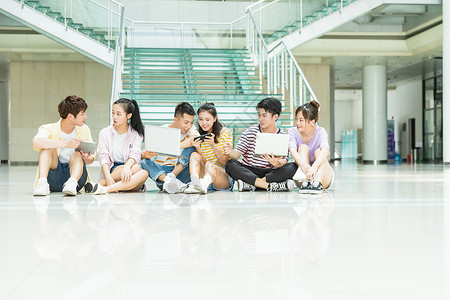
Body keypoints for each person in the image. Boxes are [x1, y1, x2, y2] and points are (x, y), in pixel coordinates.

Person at [224, 97, 297, 192]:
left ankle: (253, 185)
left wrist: (275, 162)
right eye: (259, 115)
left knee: (293, 167)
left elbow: (283, 162)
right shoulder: (250, 132)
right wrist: (230, 152)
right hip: (250, 170)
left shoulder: (283, 136)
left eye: (264, 115)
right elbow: (236, 155)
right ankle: (268, 186)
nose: (260, 119)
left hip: (270, 173)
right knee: (230, 164)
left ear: (275, 117)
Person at [32, 95, 94, 196]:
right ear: (70, 116)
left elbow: (91, 159)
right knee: (47, 148)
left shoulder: (84, 129)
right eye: (82, 114)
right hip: (54, 177)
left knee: (77, 154)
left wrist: (86, 158)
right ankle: (42, 183)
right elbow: (36, 142)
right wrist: (66, 144)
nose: (85, 117)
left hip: (76, 178)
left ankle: (71, 183)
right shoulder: (49, 128)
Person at [90, 98, 149, 194]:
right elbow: (103, 156)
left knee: (143, 173)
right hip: (113, 170)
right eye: (113, 113)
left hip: (129, 173)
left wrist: (127, 167)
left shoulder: (136, 134)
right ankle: (108, 185)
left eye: (118, 114)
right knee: (136, 168)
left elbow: (135, 153)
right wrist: (108, 177)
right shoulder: (105, 133)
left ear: (128, 115)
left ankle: (103, 187)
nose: (114, 117)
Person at [141, 102, 199, 193]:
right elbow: (145, 154)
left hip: (181, 171)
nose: (189, 126)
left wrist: (173, 146)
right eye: (186, 122)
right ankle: (169, 181)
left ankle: (172, 178)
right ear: (176, 120)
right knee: (145, 162)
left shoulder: (191, 129)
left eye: (191, 122)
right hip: (163, 173)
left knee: (192, 148)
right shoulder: (163, 130)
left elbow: (194, 139)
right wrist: (146, 155)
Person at [184, 103, 234, 194]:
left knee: (210, 165)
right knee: (194, 154)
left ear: (215, 118)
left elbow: (225, 163)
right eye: (200, 119)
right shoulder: (198, 135)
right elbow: (203, 162)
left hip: (222, 178)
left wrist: (213, 145)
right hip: (205, 179)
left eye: (207, 119)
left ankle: (203, 184)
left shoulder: (225, 132)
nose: (204, 123)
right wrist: (198, 148)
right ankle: (195, 184)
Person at [289, 101, 334, 194]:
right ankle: (306, 182)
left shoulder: (321, 131)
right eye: (296, 119)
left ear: (312, 122)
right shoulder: (292, 131)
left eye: (301, 120)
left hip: (322, 175)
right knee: (302, 147)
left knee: (319, 151)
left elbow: (325, 150)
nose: (297, 123)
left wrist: (314, 167)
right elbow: (292, 151)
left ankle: (317, 182)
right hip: (303, 176)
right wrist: (303, 165)